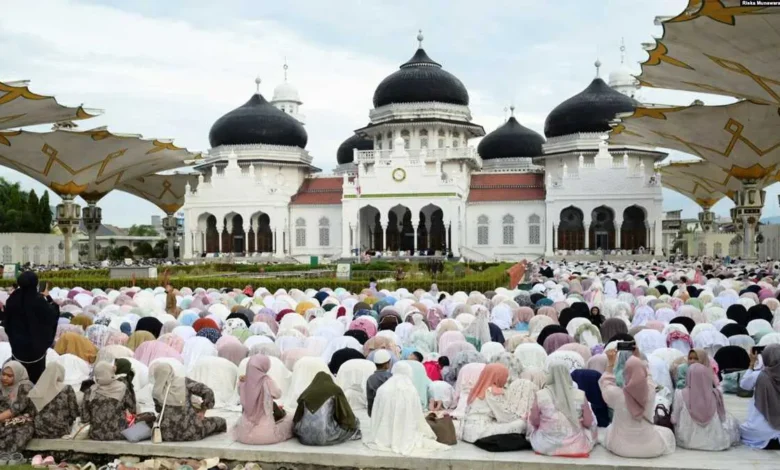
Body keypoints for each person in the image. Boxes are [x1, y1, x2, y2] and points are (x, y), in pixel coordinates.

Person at [599, 350, 675, 458]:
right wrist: (639, 360)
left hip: (621, 448)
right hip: (651, 448)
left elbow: (605, 382)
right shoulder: (651, 390)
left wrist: (610, 363)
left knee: (608, 429)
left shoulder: (616, 394)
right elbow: (648, 376)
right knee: (666, 433)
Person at [363, 370, 448, 455]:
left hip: (384, 432)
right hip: (406, 427)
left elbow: (377, 412)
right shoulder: (410, 389)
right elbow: (416, 413)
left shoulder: (383, 388)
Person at [527, 364, 597, 457]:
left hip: (545, 445)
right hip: (577, 446)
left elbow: (534, 421)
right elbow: (588, 422)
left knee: (528, 416)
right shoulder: (580, 394)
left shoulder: (541, 395)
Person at [3, 272, 59, 382]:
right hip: (36, 352)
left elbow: (7, 323)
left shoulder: (12, 299)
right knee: (35, 382)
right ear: (35, 283)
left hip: (17, 349)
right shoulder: (39, 301)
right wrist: (48, 298)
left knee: (16, 378)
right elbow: (52, 317)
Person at [152, 362, 227, 441]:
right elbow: (208, 392)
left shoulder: (156, 391)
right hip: (192, 431)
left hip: (164, 434)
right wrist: (203, 410)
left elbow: (159, 410)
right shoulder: (184, 382)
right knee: (220, 421)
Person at [671, 363, 739, 450]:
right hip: (715, 442)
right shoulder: (716, 393)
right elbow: (723, 418)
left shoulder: (680, 393)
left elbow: (674, 419)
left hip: (688, 440)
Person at [235, 355, 294, 445]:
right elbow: (278, 394)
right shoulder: (266, 380)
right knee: (289, 420)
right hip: (264, 435)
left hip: (243, 434)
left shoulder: (242, 381)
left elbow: (241, 393)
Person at [461, 363, 526, 443]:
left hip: (468, 432)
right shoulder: (491, 391)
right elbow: (504, 416)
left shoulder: (479, 389)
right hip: (480, 432)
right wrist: (521, 417)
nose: (505, 380)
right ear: (498, 376)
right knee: (522, 424)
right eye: (505, 376)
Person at [293, 371, 361, 445]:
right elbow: (345, 414)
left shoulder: (306, 392)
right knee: (355, 421)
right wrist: (352, 424)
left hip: (304, 438)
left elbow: (297, 418)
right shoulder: (335, 389)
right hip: (326, 436)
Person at [80, 362, 136, 441]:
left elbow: (84, 418)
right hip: (119, 433)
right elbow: (132, 409)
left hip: (96, 435)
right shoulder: (122, 388)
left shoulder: (90, 391)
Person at [739, 344, 780, 449]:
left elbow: (744, 385)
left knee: (739, 429)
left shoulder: (758, 375)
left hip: (759, 431)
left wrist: (751, 364)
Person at [31, 362, 79, 439]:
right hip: (61, 430)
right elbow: (74, 412)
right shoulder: (67, 389)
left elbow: (32, 412)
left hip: (40, 430)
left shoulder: (37, 389)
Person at [0, 361, 35, 452]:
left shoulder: (25, 387)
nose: (4, 378)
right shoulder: (1, 386)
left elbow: (14, 409)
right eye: (3, 374)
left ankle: (6, 454)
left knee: (22, 431)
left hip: (21, 420)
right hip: (4, 419)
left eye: (9, 376)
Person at [366, 349, 393, 416]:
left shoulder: (370, 378)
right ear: (387, 364)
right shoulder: (391, 377)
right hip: (389, 412)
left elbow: (370, 398)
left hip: (376, 412)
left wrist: (370, 413)